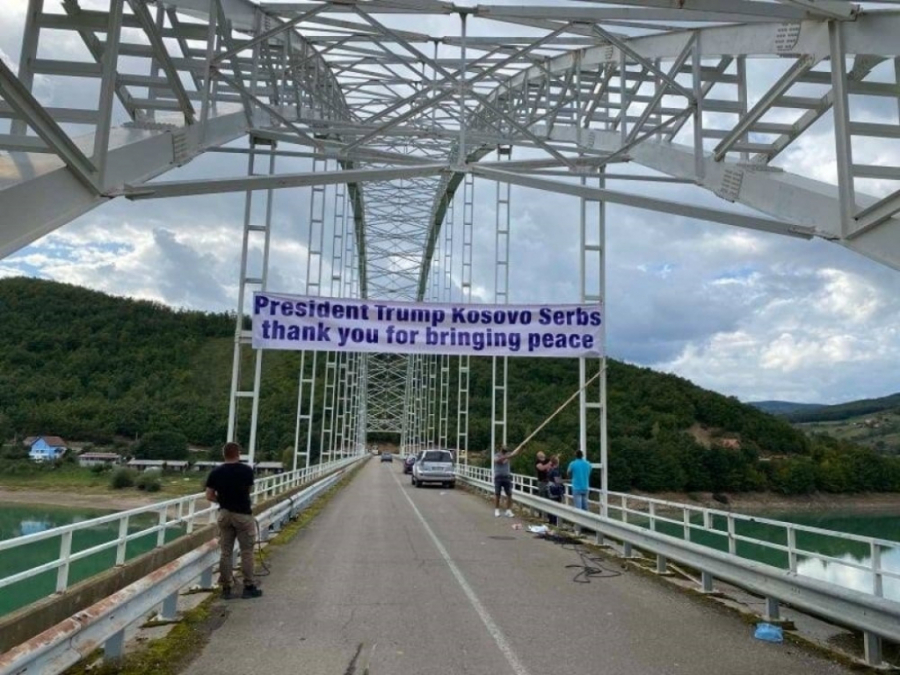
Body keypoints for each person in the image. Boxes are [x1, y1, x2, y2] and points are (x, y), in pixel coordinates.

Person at [205, 442, 263, 599]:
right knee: (246, 551)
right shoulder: (246, 470)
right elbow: (248, 491)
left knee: (226, 552)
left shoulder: (216, 472)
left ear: (224, 454)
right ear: (238, 453)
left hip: (224, 514)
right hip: (243, 515)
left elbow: (209, 495)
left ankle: (226, 588)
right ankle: (248, 587)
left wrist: (222, 501)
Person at [493, 445, 522, 517]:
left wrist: (521, 448)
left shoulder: (508, 455)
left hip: (507, 477)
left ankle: (508, 510)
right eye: (504, 450)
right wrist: (507, 456)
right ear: (501, 449)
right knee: (497, 494)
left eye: (506, 450)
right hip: (498, 477)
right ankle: (497, 510)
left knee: (509, 494)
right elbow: (498, 461)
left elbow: (515, 453)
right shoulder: (496, 455)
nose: (505, 452)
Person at [547, 455, 564, 525]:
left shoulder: (550, 470)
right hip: (555, 490)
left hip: (550, 489)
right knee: (556, 507)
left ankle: (551, 521)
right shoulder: (555, 471)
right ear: (557, 462)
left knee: (551, 506)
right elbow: (558, 481)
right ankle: (554, 522)